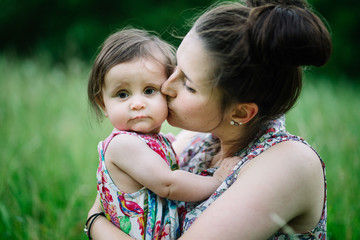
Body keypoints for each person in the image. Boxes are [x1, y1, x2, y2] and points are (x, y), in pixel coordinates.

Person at [87, 0, 332, 239]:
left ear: (240, 113)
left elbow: (102, 209)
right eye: (175, 68)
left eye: (188, 85)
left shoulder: (288, 163)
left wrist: (95, 222)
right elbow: (116, 188)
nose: (166, 86)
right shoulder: (200, 140)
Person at [86, 28, 236, 240]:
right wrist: (218, 179)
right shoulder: (123, 145)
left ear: (167, 91)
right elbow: (168, 184)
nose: (137, 104)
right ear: (103, 104)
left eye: (149, 90)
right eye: (122, 94)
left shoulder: (155, 141)